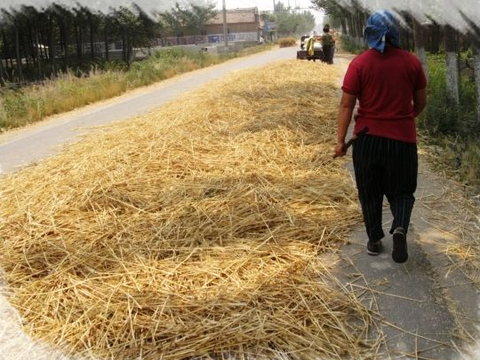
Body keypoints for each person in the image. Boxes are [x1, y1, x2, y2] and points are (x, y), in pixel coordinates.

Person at [334, 10, 427, 263]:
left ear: (369, 33)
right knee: (404, 192)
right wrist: (403, 118)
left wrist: (341, 141)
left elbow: (346, 105)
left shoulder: (360, 64)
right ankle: (399, 227)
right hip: (403, 142)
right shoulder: (412, 63)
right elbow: (420, 103)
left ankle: (374, 239)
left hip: (367, 140)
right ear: (396, 31)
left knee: (370, 192)